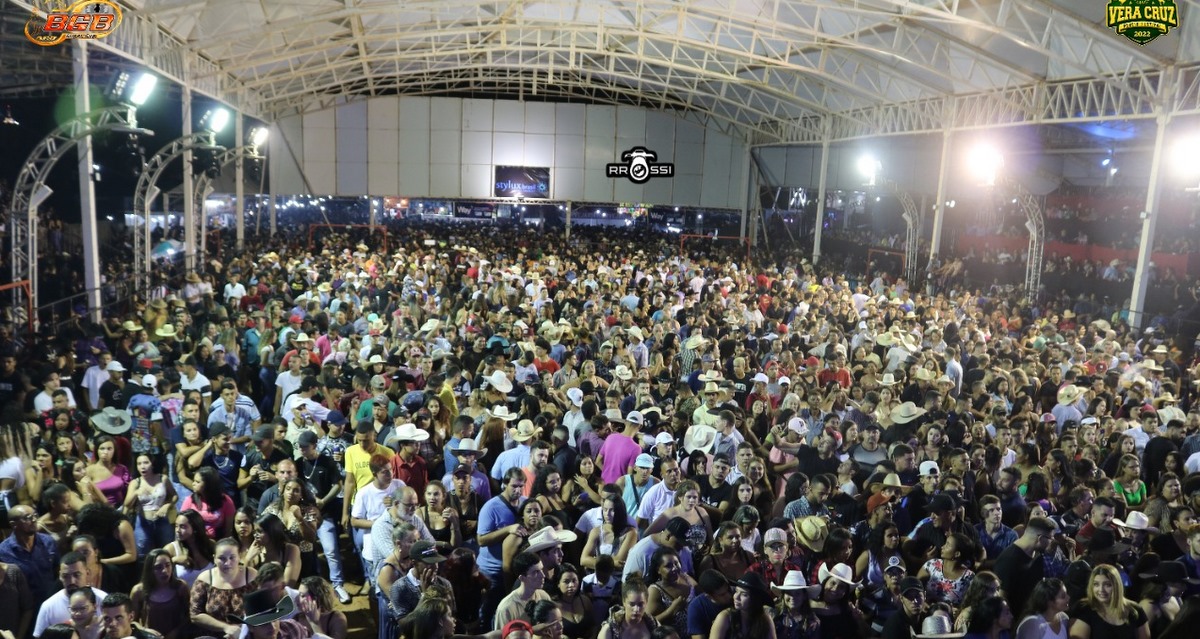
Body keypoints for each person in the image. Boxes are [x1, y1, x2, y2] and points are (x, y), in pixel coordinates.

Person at [188, 537, 259, 639]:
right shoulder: (205, 579)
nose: (227, 563)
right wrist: (226, 627)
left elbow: (263, 609)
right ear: (214, 559)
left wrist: (242, 629)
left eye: (232, 557)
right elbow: (195, 615)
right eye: (222, 558)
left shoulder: (252, 576)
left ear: (239, 557)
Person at [993, 516, 1056, 618]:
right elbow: (1001, 597)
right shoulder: (1008, 560)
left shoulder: (1037, 554)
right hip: (1016, 621)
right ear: (1039, 538)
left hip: (1034, 617)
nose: (1052, 542)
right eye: (1050, 538)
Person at [34, 552, 107, 639]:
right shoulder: (48, 607)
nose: (72, 581)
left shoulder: (103, 600)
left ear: (87, 573)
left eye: (77, 575)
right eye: (66, 576)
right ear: (60, 576)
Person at [1067, 564, 1149, 639]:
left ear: (1117, 586)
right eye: (1096, 584)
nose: (1101, 590)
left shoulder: (1135, 610)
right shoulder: (1083, 608)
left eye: (1107, 585)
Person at [0, 504, 59, 604]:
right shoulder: (3, 552)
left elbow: (57, 571)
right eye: (27, 518)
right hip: (24, 607)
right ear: (14, 524)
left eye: (35, 515)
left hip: (52, 601)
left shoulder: (48, 541)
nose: (34, 520)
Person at [128, 549, 189, 639]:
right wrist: (145, 630)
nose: (164, 571)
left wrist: (176, 632)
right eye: (158, 567)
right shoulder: (139, 591)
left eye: (168, 565)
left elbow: (189, 616)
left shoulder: (180, 587)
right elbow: (131, 620)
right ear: (149, 570)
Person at [710, 572, 778, 639]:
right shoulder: (725, 617)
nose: (736, 597)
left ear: (755, 599)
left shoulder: (765, 619)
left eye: (744, 594)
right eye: (736, 591)